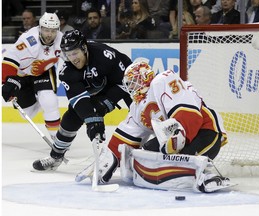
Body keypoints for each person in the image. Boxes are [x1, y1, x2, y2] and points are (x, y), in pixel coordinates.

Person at [76, 61, 231, 193]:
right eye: (128, 84)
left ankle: (207, 175)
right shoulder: (137, 108)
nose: (130, 87)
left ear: (143, 76)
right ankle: (187, 171)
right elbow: (125, 137)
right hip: (174, 136)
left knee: (178, 158)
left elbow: (190, 114)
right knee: (144, 154)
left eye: (132, 81)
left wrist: (177, 136)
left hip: (206, 131)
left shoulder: (162, 81)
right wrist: (106, 159)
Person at [32, 29, 133, 171]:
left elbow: (125, 83)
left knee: (138, 108)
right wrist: (92, 121)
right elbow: (79, 101)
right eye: (68, 55)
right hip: (95, 90)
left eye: (75, 53)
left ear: (84, 48)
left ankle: (152, 145)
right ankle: (56, 156)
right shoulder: (66, 72)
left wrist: (107, 103)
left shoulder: (104, 56)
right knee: (72, 116)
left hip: (122, 82)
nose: (73, 58)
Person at [2, 12, 63, 141]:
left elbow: (74, 58)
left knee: (49, 101)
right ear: (40, 28)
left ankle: (58, 139)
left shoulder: (61, 40)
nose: (49, 34)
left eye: (53, 31)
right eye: (46, 30)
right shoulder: (28, 40)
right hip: (22, 75)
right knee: (27, 114)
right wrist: (7, 82)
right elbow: (9, 60)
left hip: (44, 72)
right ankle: (38, 99)